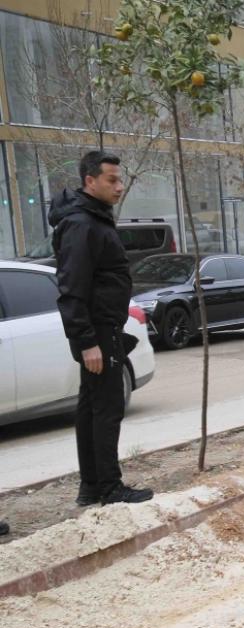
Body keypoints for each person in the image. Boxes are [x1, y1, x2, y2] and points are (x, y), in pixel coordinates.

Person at [52, 150, 153, 507]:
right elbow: (72, 287)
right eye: (111, 179)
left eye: (120, 179)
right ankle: (110, 488)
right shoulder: (82, 225)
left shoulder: (92, 218)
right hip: (97, 330)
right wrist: (87, 340)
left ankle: (92, 487)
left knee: (91, 407)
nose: (119, 186)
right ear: (89, 181)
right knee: (107, 408)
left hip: (100, 327)